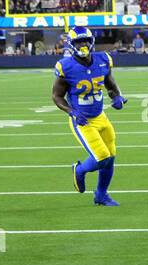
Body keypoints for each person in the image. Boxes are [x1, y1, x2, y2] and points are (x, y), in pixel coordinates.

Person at [51, 27, 127, 207]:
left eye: (85, 40)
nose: (83, 44)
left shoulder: (103, 60)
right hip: (82, 120)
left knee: (111, 157)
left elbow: (110, 84)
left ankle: (101, 195)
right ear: (71, 44)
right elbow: (57, 96)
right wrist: (72, 112)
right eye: (78, 41)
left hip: (100, 116)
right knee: (101, 156)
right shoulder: (66, 66)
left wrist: (116, 97)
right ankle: (79, 169)